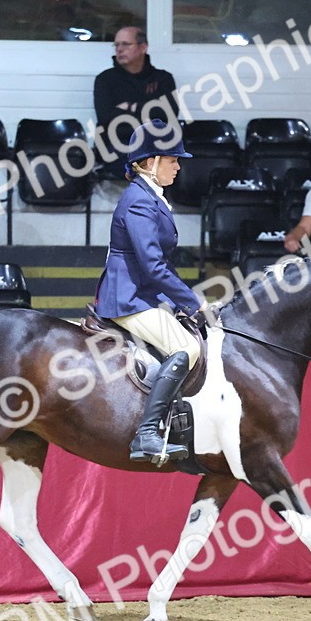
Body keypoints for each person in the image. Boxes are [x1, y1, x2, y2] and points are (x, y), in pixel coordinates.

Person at [95, 120, 204, 464]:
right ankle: (147, 433)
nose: (178, 166)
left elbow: (159, 266)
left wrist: (177, 301)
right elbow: (153, 266)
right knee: (187, 347)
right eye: (172, 159)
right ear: (149, 162)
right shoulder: (140, 202)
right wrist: (193, 302)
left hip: (144, 293)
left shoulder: (150, 197)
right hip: (127, 297)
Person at [93, 27, 179, 171]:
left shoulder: (163, 79)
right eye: (116, 45)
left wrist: (131, 107)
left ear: (143, 47)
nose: (119, 49)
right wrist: (150, 113)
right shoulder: (105, 79)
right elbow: (105, 117)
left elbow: (169, 114)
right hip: (117, 146)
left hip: (156, 144)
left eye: (126, 44)